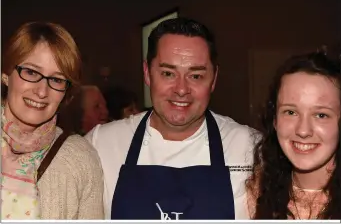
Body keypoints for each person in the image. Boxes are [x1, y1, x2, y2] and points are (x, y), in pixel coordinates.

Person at [85, 17, 255, 220]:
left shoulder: (251, 147)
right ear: (147, 73)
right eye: (168, 73)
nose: (181, 90)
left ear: (214, 80)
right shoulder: (99, 144)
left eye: (196, 76)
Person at [1, 22, 104, 219]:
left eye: (56, 80)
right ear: (5, 74)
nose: (41, 91)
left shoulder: (80, 158)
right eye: (31, 72)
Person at [246, 52, 340, 219]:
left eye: (321, 115)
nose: (303, 131)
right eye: (290, 112)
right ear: (274, 120)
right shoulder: (258, 190)